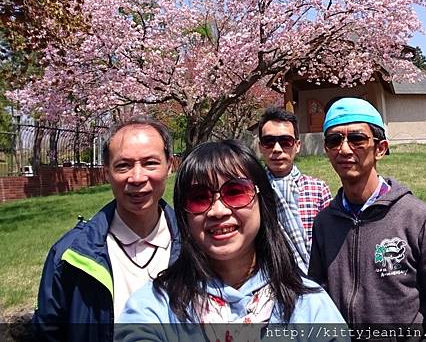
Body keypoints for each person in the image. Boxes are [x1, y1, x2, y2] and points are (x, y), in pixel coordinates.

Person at [116, 140, 344, 341]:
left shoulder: (309, 305)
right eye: (199, 198)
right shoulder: (155, 305)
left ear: (261, 200)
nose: (217, 210)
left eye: (235, 192)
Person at [308, 97, 426, 327]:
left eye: (357, 139)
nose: (344, 149)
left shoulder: (421, 220)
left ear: (381, 148)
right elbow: (318, 300)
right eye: (334, 140)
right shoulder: (324, 222)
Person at [32, 116, 181, 341]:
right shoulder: (70, 256)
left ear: (170, 166)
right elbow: (48, 333)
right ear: (106, 172)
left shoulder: (197, 245)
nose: (137, 177)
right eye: (123, 165)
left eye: (150, 163)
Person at [257, 107, 331, 272]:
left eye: (285, 142)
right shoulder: (253, 191)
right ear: (261, 147)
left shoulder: (318, 189)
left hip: (316, 277)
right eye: (269, 141)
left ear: (297, 146)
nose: (277, 149)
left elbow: (330, 241)